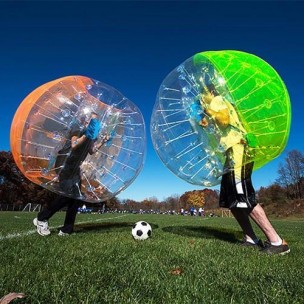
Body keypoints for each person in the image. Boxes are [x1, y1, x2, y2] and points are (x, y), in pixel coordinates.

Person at [199, 84, 290, 255]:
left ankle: (277, 242)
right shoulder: (217, 103)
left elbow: (224, 119)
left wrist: (211, 113)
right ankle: (251, 239)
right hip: (230, 152)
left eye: (202, 95)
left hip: (238, 151)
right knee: (231, 200)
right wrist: (207, 120)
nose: (201, 99)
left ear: (211, 92)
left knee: (243, 196)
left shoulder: (218, 100)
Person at [33, 112, 109, 236]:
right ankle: (42, 218)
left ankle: (67, 229)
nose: (95, 122)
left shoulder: (91, 135)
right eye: (93, 119)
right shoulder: (77, 128)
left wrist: (102, 142)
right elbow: (74, 145)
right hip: (65, 164)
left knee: (76, 197)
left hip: (75, 168)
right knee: (67, 195)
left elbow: (91, 151)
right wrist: (85, 135)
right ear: (86, 119)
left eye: (96, 120)